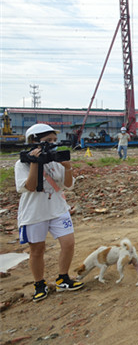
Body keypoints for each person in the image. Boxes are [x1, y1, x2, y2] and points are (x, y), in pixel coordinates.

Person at [15, 124, 84, 302]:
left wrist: (68, 168)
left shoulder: (55, 160)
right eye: (47, 141)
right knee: (37, 250)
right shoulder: (22, 163)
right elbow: (30, 187)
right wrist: (34, 163)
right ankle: (39, 284)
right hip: (34, 212)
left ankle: (63, 278)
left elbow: (68, 185)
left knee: (68, 243)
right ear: (33, 141)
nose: (52, 144)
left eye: (54, 140)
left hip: (58, 208)